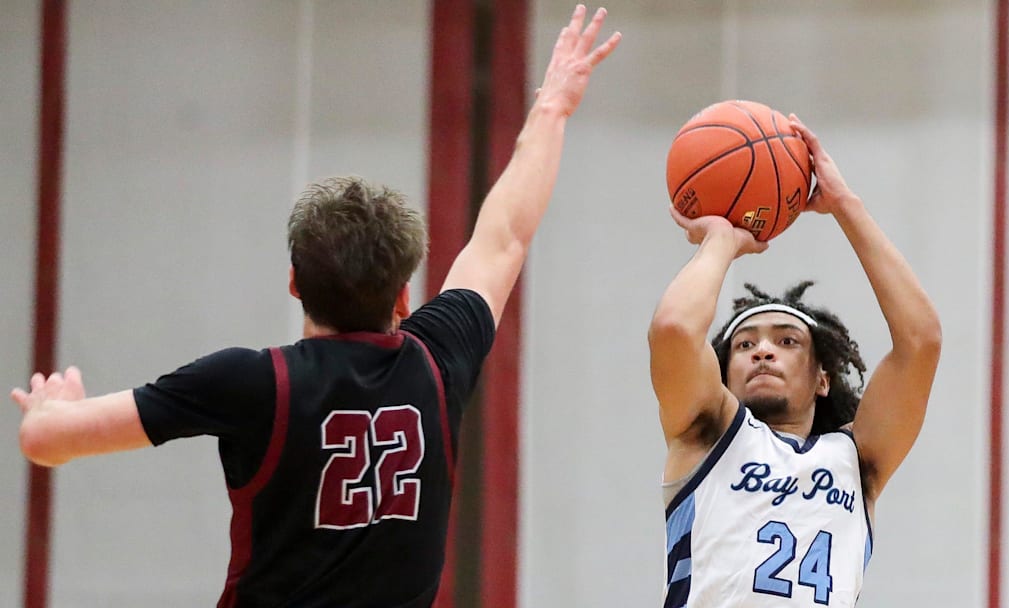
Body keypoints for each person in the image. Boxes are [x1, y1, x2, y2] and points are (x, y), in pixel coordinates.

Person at [11, 6, 620, 607]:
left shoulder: (250, 383)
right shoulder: (439, 360)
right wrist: (553, 106)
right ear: (405, 294)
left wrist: (52, 410)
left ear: (295, 281)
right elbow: (505, 234)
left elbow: (46, 442)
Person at [649, 115, 941, 607]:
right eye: (744, 345)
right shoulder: (703, 432)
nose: (763, 350)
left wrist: (846, 206)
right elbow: (675, 329)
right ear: (721, 374)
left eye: (787, 342)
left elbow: (921, 341)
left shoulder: (858, 460)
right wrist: (722, 240)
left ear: (823, 378)